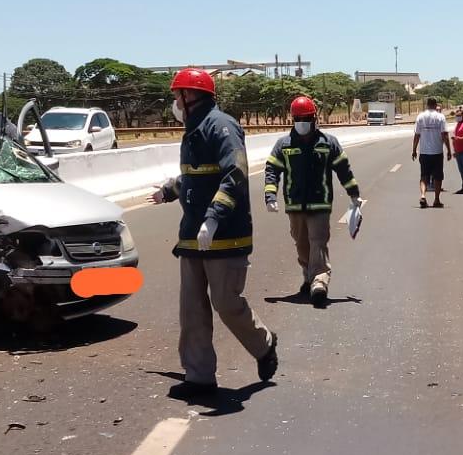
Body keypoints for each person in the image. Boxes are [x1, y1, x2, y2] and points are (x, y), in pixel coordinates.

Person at [148, 68, 278, 399]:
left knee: (226, 303)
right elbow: (195, 177)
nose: (174, 103)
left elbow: (234, 173)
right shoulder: (192, 130)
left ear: (190, 97)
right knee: (191, 309)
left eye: (177, 96)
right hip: (193, 234)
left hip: (225, 234)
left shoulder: (222, 126)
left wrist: (214, 217)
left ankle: (264, 344)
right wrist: (169, 190)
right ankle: (199, 376)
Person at [264, 95, 362, 307]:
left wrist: (354, 193)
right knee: (302, 244)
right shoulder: (283, 145)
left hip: (320, 204)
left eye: (306, 118)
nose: (302, 122)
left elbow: (343, 169)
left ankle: (319, 281)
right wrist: (270, 196)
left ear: (314, 118)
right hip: (295, 205)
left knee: (318, 242)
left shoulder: (328, 143)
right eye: (298, 118)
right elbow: (272, 169)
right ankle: (309, 276)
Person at [411, 97, 452, 208]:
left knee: (424, 176)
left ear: (427, 105)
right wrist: (449, 150)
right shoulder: (440, 117)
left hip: (424, 152)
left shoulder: (420, 117)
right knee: (438, 177)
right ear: (435, 105)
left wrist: (414, 150)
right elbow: (444, 135)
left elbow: (417, 135)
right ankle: (437, 199)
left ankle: (423, 195)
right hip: (437, 152)